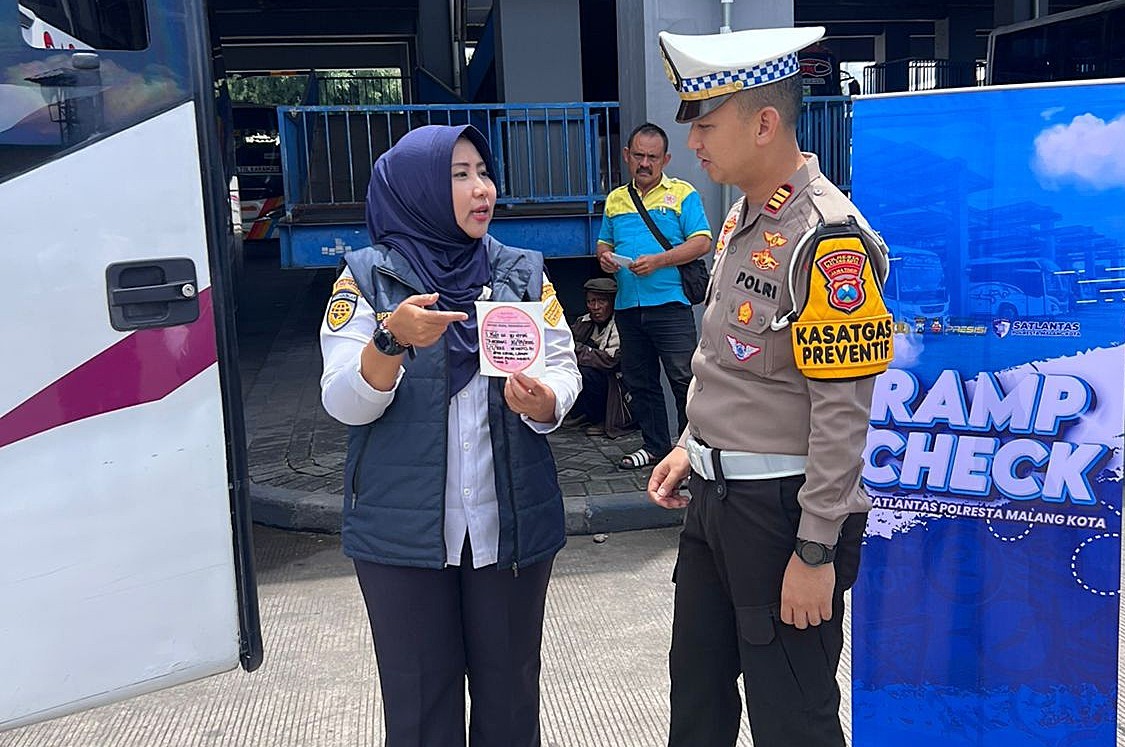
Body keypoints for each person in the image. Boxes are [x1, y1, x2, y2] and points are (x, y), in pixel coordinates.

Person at [647, 26, 893, 747]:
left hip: (781, 511)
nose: (692, 144)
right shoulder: (743, 214)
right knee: (695, 698)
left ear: (763, 124)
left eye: (707, 125)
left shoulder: (828, 238)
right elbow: (728, 361)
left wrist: (815, 552)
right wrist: (691, 443)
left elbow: (843, 414)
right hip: (713, 502)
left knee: (792, 718)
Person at [319, 124, 581, 747]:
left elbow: (562, 364)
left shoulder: (523, 275)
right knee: (417, 706)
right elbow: (342, 402)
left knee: (511, 698)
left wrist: (546, 400)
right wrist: (392, 339)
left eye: (483, 173)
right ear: (418, 192)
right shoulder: (366, 281)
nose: (480, 189)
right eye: (458, 175)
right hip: (401, 534)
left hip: (509, 528)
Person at [596, 122, 712, 471]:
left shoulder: (683, 193)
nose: (645, 163)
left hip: (670, 305)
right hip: (629, 307)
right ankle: (655, 447)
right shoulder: (615, 199)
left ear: (666, 159)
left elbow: (702, 241)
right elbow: (605, 242)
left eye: (653, 157)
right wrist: (604, 257)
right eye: (639, 156)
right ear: (627, 156)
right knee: (640, 381)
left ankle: (691, 452)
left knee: (683, 381)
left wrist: (660, 260)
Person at [566, 276, 632, 438]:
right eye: (591, 302)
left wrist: (578, 351)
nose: (595, 307)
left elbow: (611, 360)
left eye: (601, 302)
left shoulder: (622, 323)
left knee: (587, 372)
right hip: (594, 373)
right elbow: (565, 345)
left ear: (612, 302)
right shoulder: (584, 321)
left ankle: (603, 419)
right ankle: (583, 413)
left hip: (617, 382)